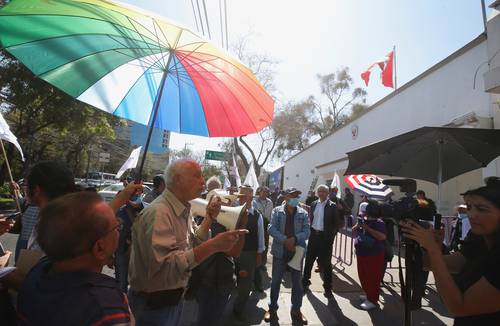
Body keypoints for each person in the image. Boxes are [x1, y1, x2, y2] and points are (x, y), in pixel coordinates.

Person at [127, 159, 248, 326]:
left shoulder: (184, 209)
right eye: (197, 176)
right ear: (177, 180)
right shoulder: (159, 213)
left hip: (171, 302)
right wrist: (214, 245)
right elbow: (167, 266)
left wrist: (209, 219)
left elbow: (194, 242)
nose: (203, 181)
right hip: (154, 307)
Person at [17, 183, 142, 326]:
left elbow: (80, 225)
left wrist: (122, 197)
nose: (118, 230)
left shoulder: (38, 272)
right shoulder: (105, 308)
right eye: (117, 226)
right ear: (99, 248)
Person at [402, 177, 500, 325]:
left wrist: (434, 250)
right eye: (469, 207)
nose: (471, 215)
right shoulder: (478, 237)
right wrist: (426, 245)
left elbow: (459, 307)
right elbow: (434, 264)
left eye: (482, 209)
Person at [265, 188, 310, 325]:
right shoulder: (277, 211)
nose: (295, 198)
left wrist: (294, 239)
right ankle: (272, 308)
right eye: (292, 196)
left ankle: (296, 310)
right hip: (280, 252)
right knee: (276, 282)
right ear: (285, 197)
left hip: (297, 252)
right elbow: (271, 228)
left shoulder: (303, 212)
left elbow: (307, 231)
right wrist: (285, 240)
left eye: (297, 196)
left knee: (297, 283)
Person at [302, 184, 342, 298]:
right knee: (309, 260)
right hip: (314, 236)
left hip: (325, 238)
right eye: (319, 191)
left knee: (326, 264)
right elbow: (312, 219)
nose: (321, 193)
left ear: (327, 193)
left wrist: (330, 236)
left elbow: (337, 224)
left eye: (323, 191)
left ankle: (328, 288)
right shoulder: (314, 204)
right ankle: (305, 282)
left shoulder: (332, 206)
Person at [232, 185, 265, 321]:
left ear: (251, 197)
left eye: (245, 196)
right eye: (240, 196)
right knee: (231, 282)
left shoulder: (257, 216)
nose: (242, 199)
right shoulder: (232, 211)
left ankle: (238, 309)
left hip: (248, 255)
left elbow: (261, 238)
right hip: (232, 254)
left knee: (245, 285)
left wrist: (258, 255)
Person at [353, 200, 387, 310]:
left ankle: (372, 299)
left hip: (374, 254)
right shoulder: (364, 220)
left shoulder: (379, 222)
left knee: (372, 277)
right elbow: (354, 231)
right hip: (362, 253)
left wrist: (367, 228)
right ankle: (368, 294)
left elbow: (382, 237)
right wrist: (358, 225)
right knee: (363, 275)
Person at [114, 186, 144, 292]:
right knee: (121, 284)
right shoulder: (119, 212)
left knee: (137, 285)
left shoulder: (145, 210)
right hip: (121, 251)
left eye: (137, 194)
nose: (136, 196)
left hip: (138, 254)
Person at [253, 185, 273, 291]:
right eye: (263, 191)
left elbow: (271, 214)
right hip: (257, 225)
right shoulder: (254, 201)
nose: (265, 193)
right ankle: (257, 262)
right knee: (258, 244)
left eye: (267, 192)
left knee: (265, 244)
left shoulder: (270, 202)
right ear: (259, 192)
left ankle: (262, 263)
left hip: (267, 226)